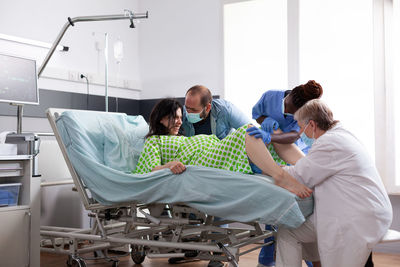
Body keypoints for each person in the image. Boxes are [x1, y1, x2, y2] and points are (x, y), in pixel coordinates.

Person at [266, 99, 392, 267]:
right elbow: (313, 168)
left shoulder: (329, 143)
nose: (299, 132)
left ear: (311, 124)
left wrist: (270, 168)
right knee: (300, 227)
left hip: (356, 217)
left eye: (299, 126)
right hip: (369, 210)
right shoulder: (342, 134)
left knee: (288, 231)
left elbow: (299, 176)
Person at [134, 98, 312, 199]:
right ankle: (280, 176)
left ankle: (310, 168)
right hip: (204, 161)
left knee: (272, 131)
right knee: (248, 132)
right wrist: (169, 165)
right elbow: (147, 171)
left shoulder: (183, 136)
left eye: (181, 118)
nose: (179, 122)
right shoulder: (155, 140)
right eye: (174, 118)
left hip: (220, 151)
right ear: (160, 119)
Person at [252, 80, 323, 267]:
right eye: (288, 109)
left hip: (293, 149)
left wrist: (272, 136)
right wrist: (265, 121)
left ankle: (311, 260)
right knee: (277, 205)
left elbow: (294, 136)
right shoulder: (270, 96)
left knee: (301, 207)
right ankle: (267, 259)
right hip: (271, 148)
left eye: (293, 114)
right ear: (289, 96)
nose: (288, 114)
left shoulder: (303, 113)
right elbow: (256, 114)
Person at [181, 85, 251, 140]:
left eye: (194, 110)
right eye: (187, 107)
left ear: (208, 107)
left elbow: (250, 130)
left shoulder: (225, 109)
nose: (188, 113)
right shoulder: (180, 114)